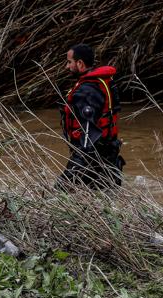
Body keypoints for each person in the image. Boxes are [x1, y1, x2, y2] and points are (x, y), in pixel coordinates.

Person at [57, 43, 125, 190]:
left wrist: (69, 176)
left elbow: (89, 136)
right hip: (109, 153)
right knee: (107, 200)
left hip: (92, 157)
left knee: (59, 194)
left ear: (80, 63)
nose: (67, 67)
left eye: (69, 62)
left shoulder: (87, 91)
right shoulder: (104, 82)